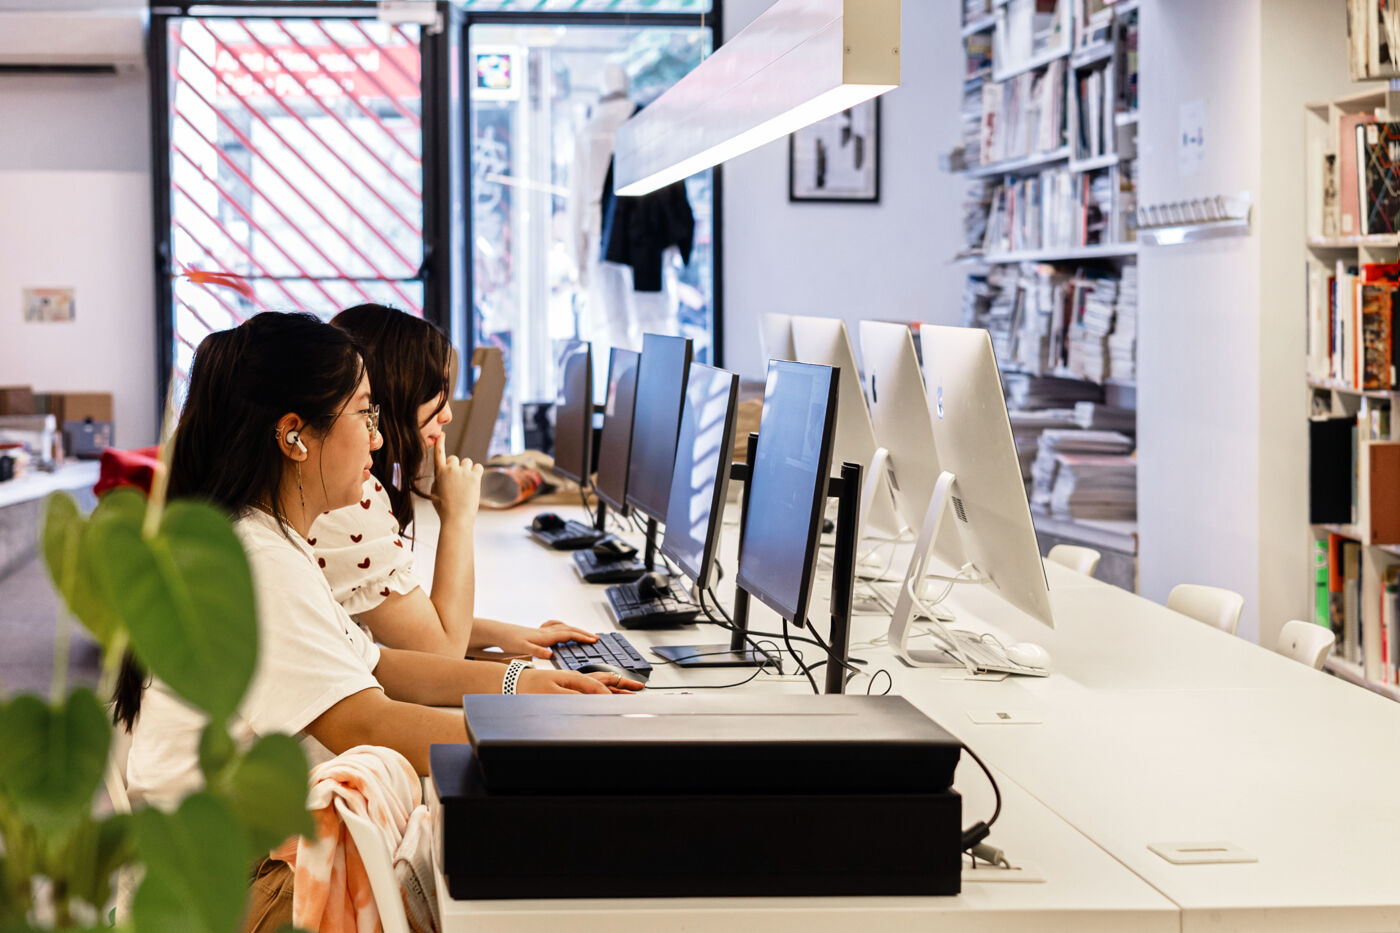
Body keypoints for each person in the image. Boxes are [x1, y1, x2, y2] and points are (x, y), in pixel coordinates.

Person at [118, 312, 640, 815]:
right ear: (294, 436)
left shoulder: (271, 539)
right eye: (365, 413)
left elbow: (379, 665)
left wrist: (519, 683)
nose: (379, 436)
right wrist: (535, 727)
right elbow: (365, 723)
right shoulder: (258, 563)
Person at [312, 304, 598, 659]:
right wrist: (459, 519)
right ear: (392, 393)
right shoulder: (347, 503)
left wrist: (509, 635)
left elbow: (409, 623)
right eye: (435, 392)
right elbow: (442, 650)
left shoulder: (350, 486)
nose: (447, 413)